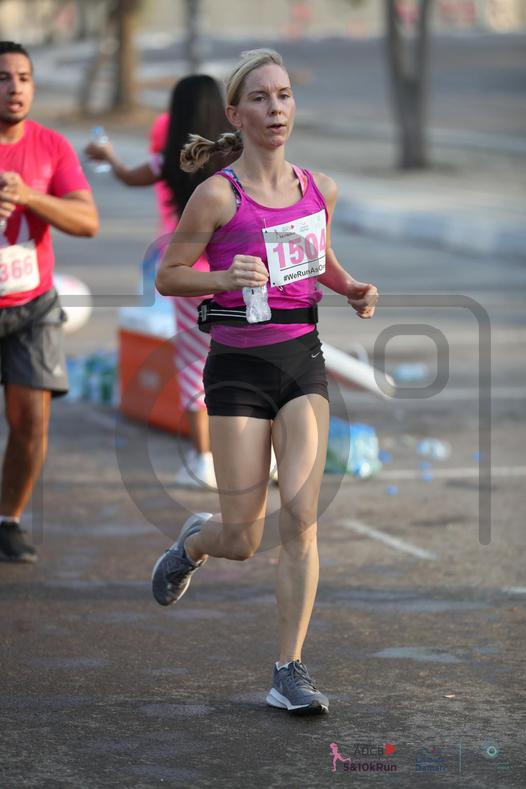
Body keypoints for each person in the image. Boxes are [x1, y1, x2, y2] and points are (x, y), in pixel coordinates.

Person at [151, 49, 378, 716]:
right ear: (235, 114)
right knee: (244, 539)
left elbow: (320, 258)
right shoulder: (218, 195)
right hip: (238, 370)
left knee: (301, 520)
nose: (276, 108)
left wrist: (351, 286)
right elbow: (169, 275)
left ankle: (289, 669)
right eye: (260, 98)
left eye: (283, 95)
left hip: (302, 361)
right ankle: (197, 540)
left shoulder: (319, 188)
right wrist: (224, 277)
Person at [85, 75, 231, 488]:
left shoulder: (169, 159)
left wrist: (108, 155)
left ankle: (204, 460)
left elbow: (129, 176)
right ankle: (260, 457)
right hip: (234, 275)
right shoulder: (237, 156)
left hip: (188, 276)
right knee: (245, 362)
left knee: (194, 366)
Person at [0, 41, 99, 563]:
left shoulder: (51, 146)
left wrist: (29, 196)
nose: (14, 88)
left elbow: (88, 221)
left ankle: (8, 520)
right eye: (3, 78)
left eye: (23, 78)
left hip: (32, 306)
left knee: (31, 424)